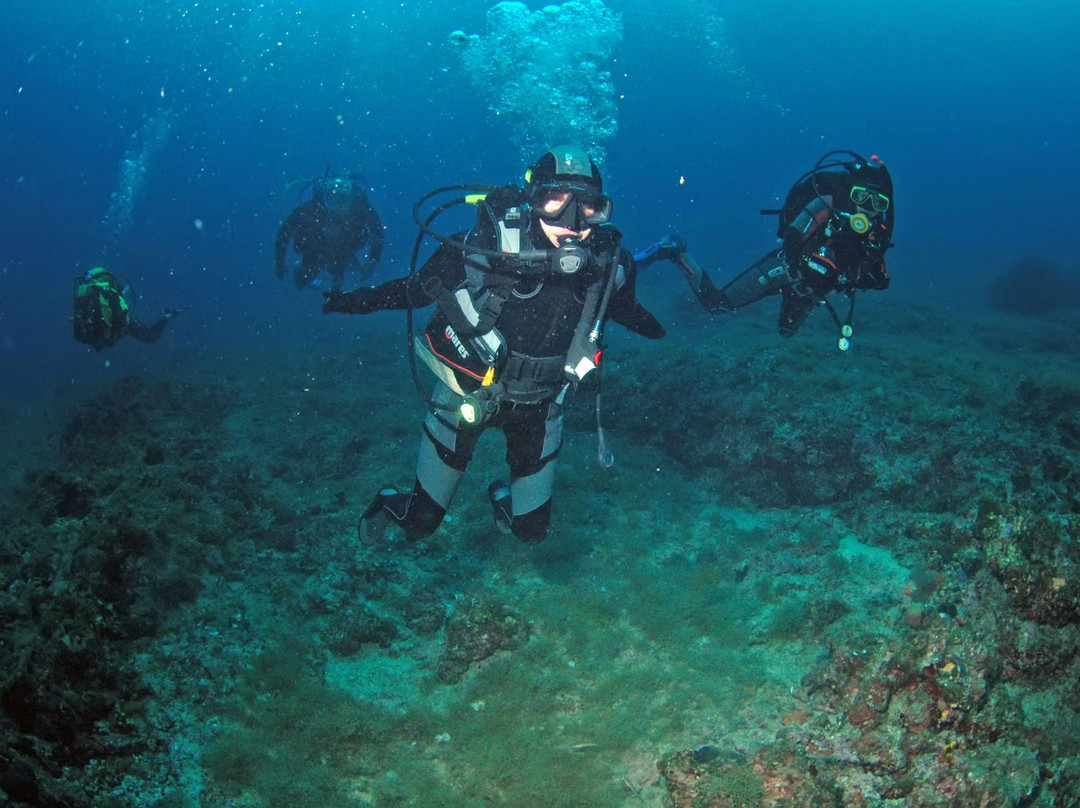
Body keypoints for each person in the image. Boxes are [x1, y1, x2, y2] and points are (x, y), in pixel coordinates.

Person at [322, 145, 665, 545]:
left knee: (531, 533)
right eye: (554, 199)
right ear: (532, 197)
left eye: (588, 205)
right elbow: (415, 292)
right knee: (420, 524)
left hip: (541, 407)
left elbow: (626, 310)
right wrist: (354, 301)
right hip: (468, 392)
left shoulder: (609, 268)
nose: (571, 222)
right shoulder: (480, 249)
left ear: (602, 210)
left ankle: (500, 496)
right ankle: (387, 501)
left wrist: (658, 329)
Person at [638, 150, 894, 350]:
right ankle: (673, 250)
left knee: (786, 333)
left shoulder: (875, 235)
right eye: (861, 197)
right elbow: (793, 237)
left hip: (810, 291)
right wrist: (810, 261)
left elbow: (877, 279)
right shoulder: (828, 205)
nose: (867, 207)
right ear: (851, 193)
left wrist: (865, 267)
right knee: (717, 305)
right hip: (784, 270)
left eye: (877, 203)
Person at [274, 174, 384, 292]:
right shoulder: (311, 209)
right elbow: (285, 232)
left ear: (350, 197)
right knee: (305, 276)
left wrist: (373, 260)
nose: (340, 202)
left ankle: (337, 282)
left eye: (343, 197)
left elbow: (377, 230)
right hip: (315, 249)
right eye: (335, 196)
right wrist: (279, 260)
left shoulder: (359, 209)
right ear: (327, 195)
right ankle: (309, 285)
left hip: (344, 250)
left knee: (338, 270)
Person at [72, 266, 180, 351]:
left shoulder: (86, 294)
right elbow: (121, 315)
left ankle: (101, 338)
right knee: (151, 337)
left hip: (94, 333)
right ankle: (167, 316)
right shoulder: (107, 291)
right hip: (116, 328)